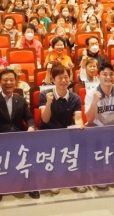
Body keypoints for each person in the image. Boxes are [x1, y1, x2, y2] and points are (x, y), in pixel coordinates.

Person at [0, 69, 40, 201]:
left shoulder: (20, 99)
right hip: (0, 136)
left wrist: (30, 127)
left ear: (16, 82)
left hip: (18, 135)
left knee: (28, 156)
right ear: (0, 82)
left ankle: (31, 186)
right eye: (5, 80)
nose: (9, 82)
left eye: (11, 80)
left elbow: (29, 117)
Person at [39, 65, 87, 194]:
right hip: (49, 131)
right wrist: (49, 103)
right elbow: (45, 120)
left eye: (66, 77)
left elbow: (77, 118)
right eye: (60, 78)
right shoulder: (44, 94)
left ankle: (77, 179)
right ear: (53, 79)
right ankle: (53, 180)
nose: (63, 81)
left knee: (79, 147)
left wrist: (80, 125)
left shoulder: (75, 98)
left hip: (67, 131)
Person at [85, 63, 114, 188]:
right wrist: (95, 101)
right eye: (104, 74)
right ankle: (100, 175)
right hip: (97, 129)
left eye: (111, 74)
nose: (108, 77)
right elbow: (89, 119)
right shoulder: (91, 93)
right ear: (98, 76)